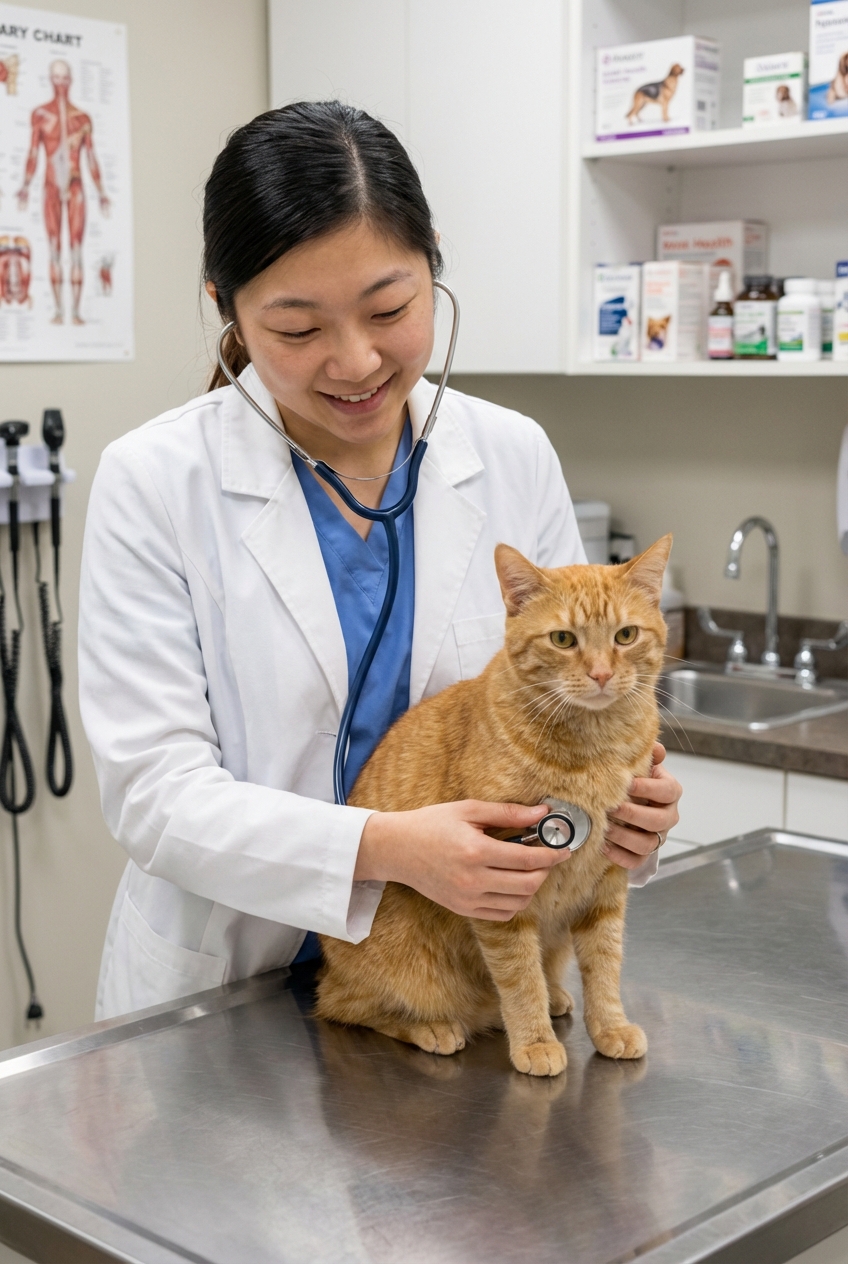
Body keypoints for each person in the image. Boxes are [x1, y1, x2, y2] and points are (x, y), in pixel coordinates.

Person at [79, 102, 681, 1020]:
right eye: (296, 329)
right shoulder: (155, 481)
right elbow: (156, 797)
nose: (355, 360)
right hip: (226, 983)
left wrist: (631, 804)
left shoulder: (511, 453)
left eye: (389, 309)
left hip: (467, 975)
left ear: (432, 263)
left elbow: (584, 695)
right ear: (226, 310)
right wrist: (388, 847)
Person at [17, 59, 110, 325]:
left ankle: (76, 312)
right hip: (50, 188)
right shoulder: (40, 115)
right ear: (50, 80)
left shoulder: (82, 118)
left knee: (77, 249)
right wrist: (25, 185)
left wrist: (102, 191)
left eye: (64, 78)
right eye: (56, 78)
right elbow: (33, 152)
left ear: (70, 80)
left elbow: (91, 157)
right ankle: (59, 311)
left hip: (76, 186)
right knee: (55, 249)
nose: (60, 84)